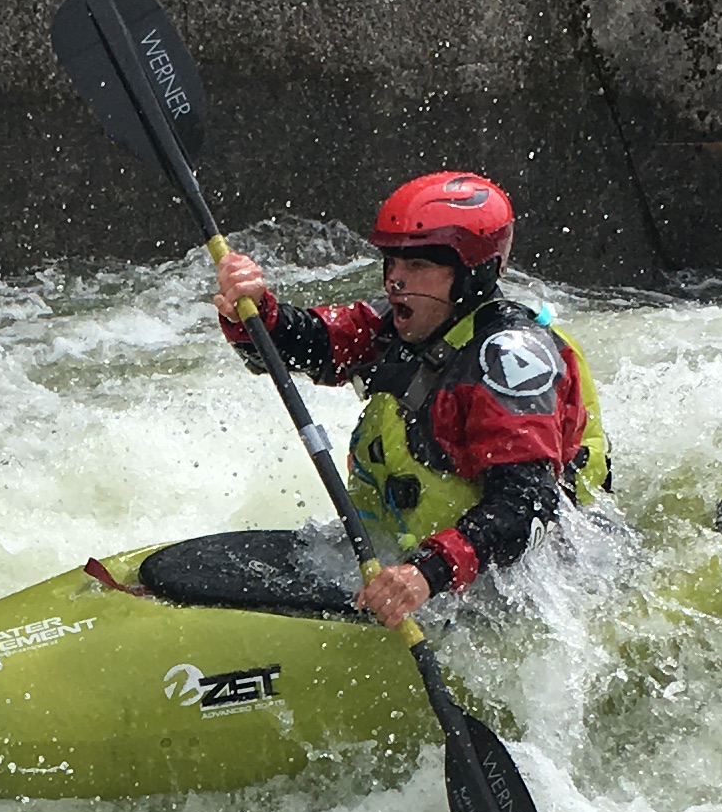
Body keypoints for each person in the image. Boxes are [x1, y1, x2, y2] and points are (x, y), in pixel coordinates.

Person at [129, 172, 605, 630]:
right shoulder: (397, 326)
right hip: (410, 561)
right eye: (392, 262)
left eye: (417, 266)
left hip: (517, 591)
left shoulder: (509, 360)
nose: (394, 280)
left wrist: (427, 572)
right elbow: (308, 342)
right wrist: (253, 310)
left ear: (471, 274)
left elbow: (528, 503)